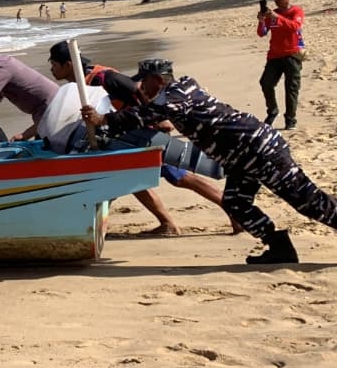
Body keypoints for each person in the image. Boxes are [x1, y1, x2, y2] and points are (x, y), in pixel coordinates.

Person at [80, 59, 337, 266]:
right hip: (242, 155)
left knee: (309, 202)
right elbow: (161, 115)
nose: (142, 87)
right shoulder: (184, 90)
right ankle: (279, 247)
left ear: (160, 80)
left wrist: (103, 120)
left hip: (259, 150)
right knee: (236, 202)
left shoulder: (174, 95)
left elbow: (142, 115)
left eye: (146, 81)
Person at [47, 42, 238, 235]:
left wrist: (158, 120)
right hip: (123, 139)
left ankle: (229, 213)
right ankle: (169, 223)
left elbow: (136, 91)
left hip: (140, 137)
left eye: (54, 64)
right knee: (134, 179)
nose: (51, 69)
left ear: (68, 65)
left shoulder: (102, 78)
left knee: (180, 177)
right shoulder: (78, 84)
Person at [0, 41, 59, 140]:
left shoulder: (1, 70)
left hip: (49, 108)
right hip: (49, 104)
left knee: (41, 145)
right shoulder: (3, 62)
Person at [257, 0, 305, 130]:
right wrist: (261, 21)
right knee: (266, 82)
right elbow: (262, 33)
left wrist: (276, 16)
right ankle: (272, 110)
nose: (278, 0)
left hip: (292, 54)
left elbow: (295, 27)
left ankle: (290, 119)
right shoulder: (271, 14)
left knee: (291, 88)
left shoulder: (296, 11)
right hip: (275, 55)